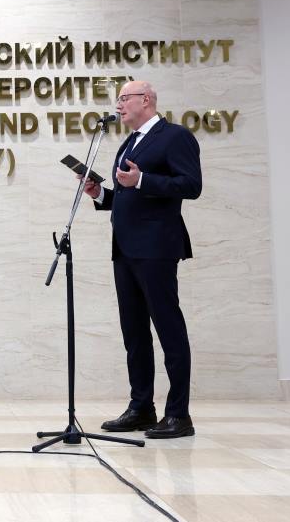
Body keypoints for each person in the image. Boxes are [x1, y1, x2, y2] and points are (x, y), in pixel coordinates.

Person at [82, 81, 202, 439]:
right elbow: (125, 195)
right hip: (125, 248)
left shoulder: (174, 136)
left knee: (168, 329)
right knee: (134, 332)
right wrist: (99, 193)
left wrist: (143, 180)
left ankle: (178, 414)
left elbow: (191, 185)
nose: (118, 105)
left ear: (145, 100)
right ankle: (141, 408)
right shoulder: (129, 142)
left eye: (123, 98)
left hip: (157, 247)